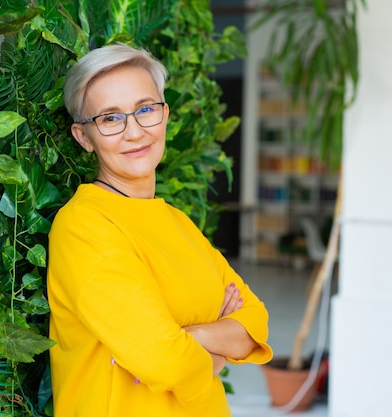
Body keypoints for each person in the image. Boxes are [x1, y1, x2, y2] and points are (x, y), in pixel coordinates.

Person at [47, 43, 273, 417]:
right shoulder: (83, 227)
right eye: (110, 118)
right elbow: (165, 360)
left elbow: (255, 320)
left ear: (165, 115)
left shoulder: (175, 221)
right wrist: (217, 349)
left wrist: (192, 340)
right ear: (83, 137)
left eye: (145, 109)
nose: (134, 132)